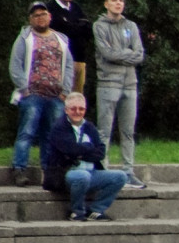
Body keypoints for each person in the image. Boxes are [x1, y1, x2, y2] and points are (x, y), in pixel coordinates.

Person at [8, 1, 74, 187]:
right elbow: (15, 65)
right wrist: (24, 89)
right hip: (32, 95)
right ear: (30, 19)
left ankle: (50, 170)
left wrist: (66, 91)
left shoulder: (61, 39)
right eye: (36, 15)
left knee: (52, 134)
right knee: (27, 132)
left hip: (56, 96)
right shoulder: (25, 38)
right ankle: (19, 168)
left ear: (49, 16)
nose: (40, 18)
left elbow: (68, 65)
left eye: (43, 14)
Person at [43, 93, 127, 221]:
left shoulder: (90, 127)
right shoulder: (58, 128)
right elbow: (68, 149)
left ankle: (96, 210)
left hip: (91, 172)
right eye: (73, 109)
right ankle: (77, 211)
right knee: (83, 176)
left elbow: (100, 152)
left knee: (120, 176)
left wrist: (80, 152)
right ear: (66, 110)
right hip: (65, 174)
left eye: (81, 109)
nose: (77, 112)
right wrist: (88, 147)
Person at [94, 0, 147, 189]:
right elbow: (107, 53)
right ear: (106, 4)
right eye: (114, 0)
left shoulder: (131, 26)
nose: (118, 3)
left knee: (128, 131)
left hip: (130, 84)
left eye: (121, 0)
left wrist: (121, 54)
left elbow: (139, 54)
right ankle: (103, 170)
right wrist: (126, 54)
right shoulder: (99, 26)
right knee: (104, 130)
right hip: (108, 83)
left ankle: (128, 171)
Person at [46, 0, 93, 94]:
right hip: (58, 63)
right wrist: (76, 27)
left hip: (79, 61)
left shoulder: (76, 7)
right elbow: (60, 33)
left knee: (76, 101)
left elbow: (88, 31)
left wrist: (70, 27)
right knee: (60, 99)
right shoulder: (49, 9)